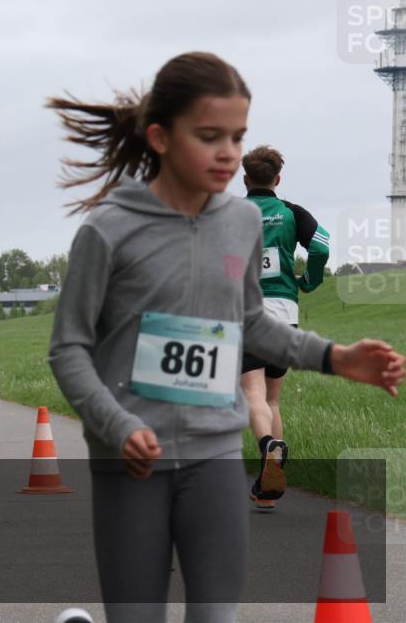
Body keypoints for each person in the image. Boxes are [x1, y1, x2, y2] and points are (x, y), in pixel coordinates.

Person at [45, 52, 404, 623]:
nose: (229, 153)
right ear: (160, 137)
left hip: (213, 450)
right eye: (210, 136)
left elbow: (253, 322)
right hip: (132, 457)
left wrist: (335, 357)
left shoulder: (240, 222)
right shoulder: (109, 228)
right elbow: (67, 348)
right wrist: (118, 425)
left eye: (237, 137)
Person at [239, 145, 331, 509]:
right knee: (273, 397)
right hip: (284, 312)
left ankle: (267, 447)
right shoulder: (291, 212)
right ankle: (268, 487)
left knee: (253, 394)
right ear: (277, 179)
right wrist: (308, 280)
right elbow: (321, 244)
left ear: (245, 179)